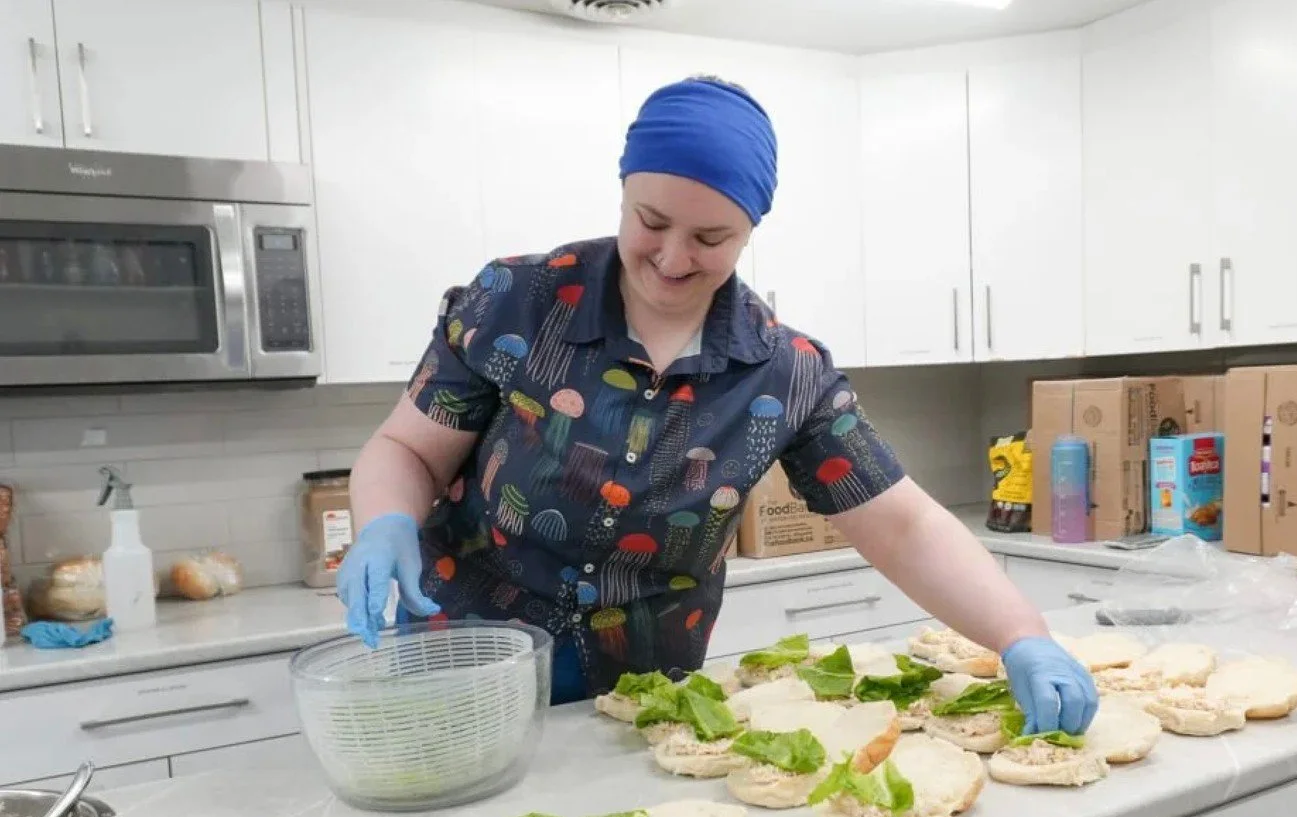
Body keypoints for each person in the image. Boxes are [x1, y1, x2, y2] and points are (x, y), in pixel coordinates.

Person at [336, 76, 1097, 736]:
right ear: (624, 194)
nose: (672, 258)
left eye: (710, 236)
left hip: (641, 702)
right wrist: (384, 522)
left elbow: (903, 526)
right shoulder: (517, 302)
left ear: (750, 231)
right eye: (651, 221)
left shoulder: (784, 372)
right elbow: (408, 451)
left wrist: (1021, 635)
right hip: (464, 659)